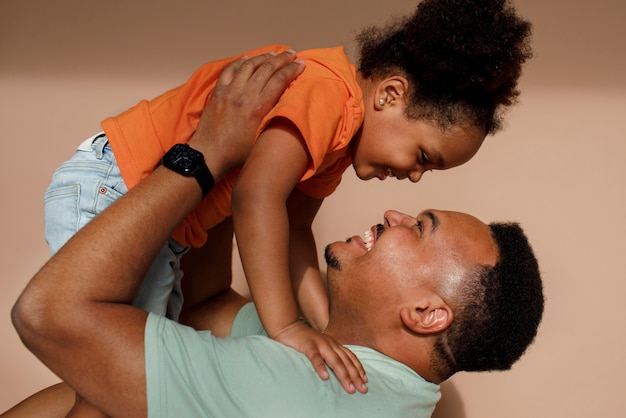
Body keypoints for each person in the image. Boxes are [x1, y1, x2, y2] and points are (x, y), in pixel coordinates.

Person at [10, 47, 544, 417]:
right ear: (389, 94)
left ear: (427, 314)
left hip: (136, 189)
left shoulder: (313, 392)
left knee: (99, 393)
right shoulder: (328, 104)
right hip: (112, 177)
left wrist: (210, 152)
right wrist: (304, 324)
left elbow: (54, 317)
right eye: (422, 158)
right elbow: (232, 269)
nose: (403, 199)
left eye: (421, 227)